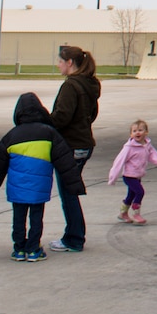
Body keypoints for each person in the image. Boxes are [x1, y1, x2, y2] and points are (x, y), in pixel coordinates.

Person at [0, 93, 85, 261]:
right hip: (39, 189)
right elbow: (65, 162)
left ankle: (19, 249)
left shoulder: (11, 135)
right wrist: (75, 185)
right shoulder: (50, 134)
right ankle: (34, 249)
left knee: (18, 218)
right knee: (36, 218)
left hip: (17, 189)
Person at [47, 45, 100, 254]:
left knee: (68, 193)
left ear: (69, 63)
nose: (58, 64)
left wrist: (45, 121)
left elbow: (62, 117)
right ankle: (74, 234)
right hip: (85, 143)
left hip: (71, 145)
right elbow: (93, 113)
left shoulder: (71, 85)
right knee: (71, 191)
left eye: (60, 61)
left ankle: (74, 237)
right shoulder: (89, 84)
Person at [107, 119, 157, 224]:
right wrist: (112, 178)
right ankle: (136, 214)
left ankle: (123, 213)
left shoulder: (147, 146)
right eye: (134, 131)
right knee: (140, 192)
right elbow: (119, 162)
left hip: (138, 176)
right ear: (131, 134)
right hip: (129, 176)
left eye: (140, 130)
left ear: (146, 132)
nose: (137, 132)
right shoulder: (129, 148)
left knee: (131, 195)